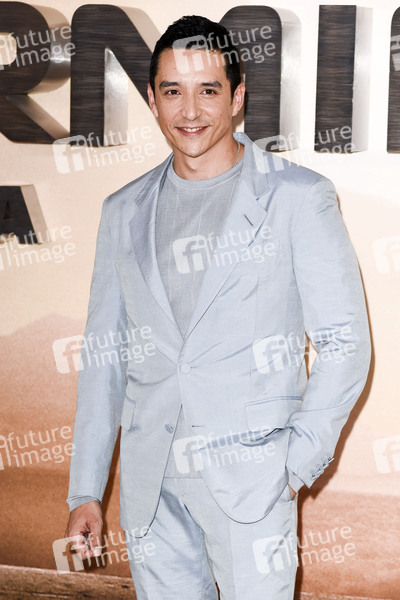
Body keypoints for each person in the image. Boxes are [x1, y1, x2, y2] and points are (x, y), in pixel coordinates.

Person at [64, 14, 371, 600]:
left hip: (254, 485)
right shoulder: (123, 210)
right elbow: (106, 357)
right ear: (152, 99)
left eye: (207, 90)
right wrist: (85, 490)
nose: (190, 111)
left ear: (237, 97)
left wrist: (294, 466)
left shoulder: (298, 198)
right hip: (152, 489)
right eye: (172, 91)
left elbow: (345, 343)